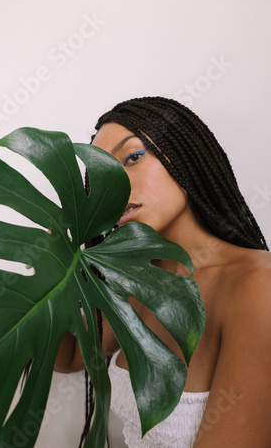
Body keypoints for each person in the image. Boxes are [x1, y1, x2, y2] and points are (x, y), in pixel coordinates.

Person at [54, 96, 271, 447]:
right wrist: (47, 265)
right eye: (101, 176)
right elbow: (69, 356)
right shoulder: (137, 281)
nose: (116, 186)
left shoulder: (258, 286)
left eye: (133, 157)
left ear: (186, 154)